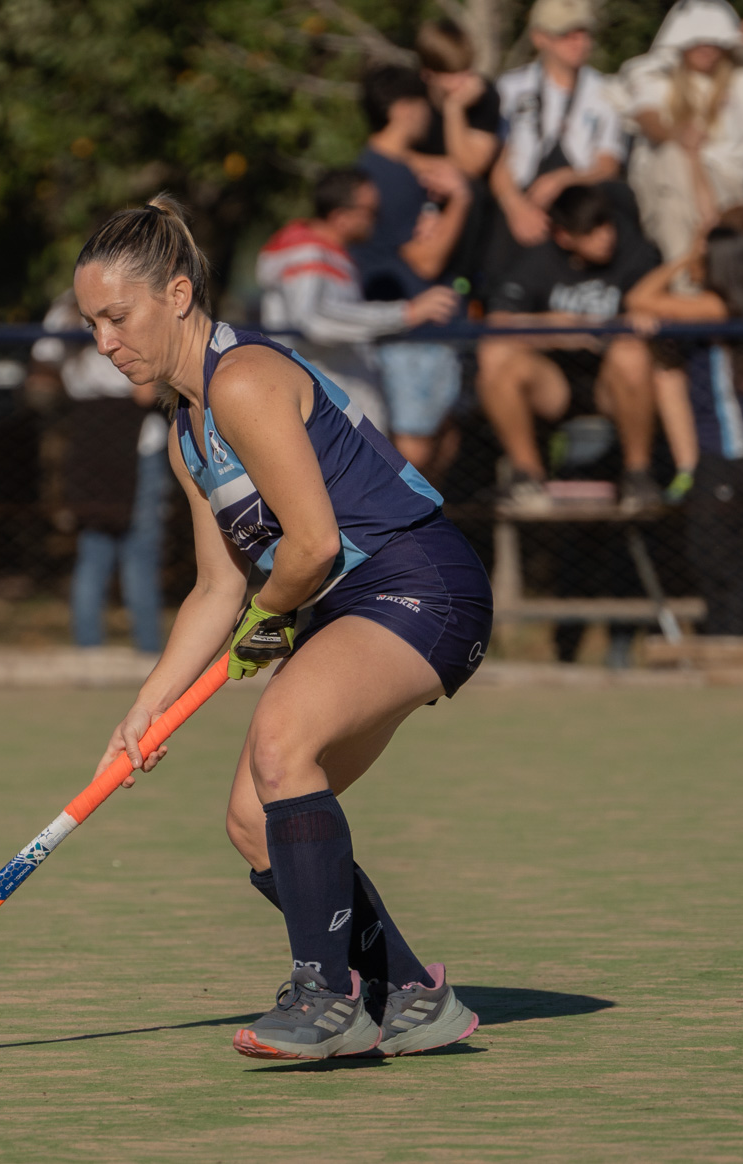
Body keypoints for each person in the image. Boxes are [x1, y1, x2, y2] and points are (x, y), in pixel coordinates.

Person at [77, 195, 490, 1060]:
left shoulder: (244, 381)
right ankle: (411, 995)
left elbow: (310, 546)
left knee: (280, 742)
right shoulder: (189, 429)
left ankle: (326, 997)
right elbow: (217, 588)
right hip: (351, 601)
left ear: (179, 295)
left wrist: (267, 625)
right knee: (251, 819)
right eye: (92, 323)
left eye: (118, 317)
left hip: (419, 581)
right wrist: (146, 710)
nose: (105, 342)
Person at [627, 218, 743, 635]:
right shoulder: (712, 306)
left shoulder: (716, 308)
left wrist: (680, 261)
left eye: (701, 254)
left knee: (722, 555)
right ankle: (721, 636)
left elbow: (640, 297)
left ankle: (735, 639)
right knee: (708, 553)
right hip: (715, 452)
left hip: (736, 451)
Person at [476, 185, 662, 512]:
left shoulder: (635, 251)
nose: (605, 236)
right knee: (494, 355)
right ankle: (527, 481)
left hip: (612, 384)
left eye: (606, 224)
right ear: (563, 236)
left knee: (631, 353)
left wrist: (613, 326)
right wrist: (554, 326)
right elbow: (498, 321)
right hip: (554, 384)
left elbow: (653, 307)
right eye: (590, 231)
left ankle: (638, 477)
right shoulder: (539, 258)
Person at [255, 168, 459, 435]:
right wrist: (404, 313)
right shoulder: (307, 251)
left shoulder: (332, 254)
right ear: (340, 217)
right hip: (324, 416)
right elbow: (312, 319)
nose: (376, 220)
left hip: (337, 411)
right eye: (370, 211)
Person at [33, 290, 169, 653]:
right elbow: (145, 392)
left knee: (94, 547)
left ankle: (89, 648)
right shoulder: (133, 295)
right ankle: (148, 649)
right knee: (140, 550)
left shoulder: (66, 303)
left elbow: (45, 362)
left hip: (89, 437)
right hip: (135, 438)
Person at [354, 64, 472, 474]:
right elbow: (427, 259)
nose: (428, 116)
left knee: (441, 441)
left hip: (410, 330)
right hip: (406, 332)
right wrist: (460, 201)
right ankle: (397, 536)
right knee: (413, 450)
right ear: (404, 108)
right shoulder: (390, 176)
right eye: (423, 105)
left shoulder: (375, 166)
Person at [625, 1, 743, 264]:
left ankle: (684, 282)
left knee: (676, 194)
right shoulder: (656, 79)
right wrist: (678, 135)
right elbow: (648, 118)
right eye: (697, 40)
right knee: (672, 160)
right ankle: (689, 279)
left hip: (727, 185)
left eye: (714, 40)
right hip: (671, 183)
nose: (706, 48)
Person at [489, 0, 629, 250]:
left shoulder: (606, 91)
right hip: (521, 195)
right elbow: (499, 160)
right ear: (539, 38)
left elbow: (609, 166)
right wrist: (515, 208)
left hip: (579, 198)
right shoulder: (510, 88)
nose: (579, 43)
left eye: (583, 33)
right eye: (566, 35)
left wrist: (563, 180)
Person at [414, 19, 501, 181]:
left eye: (467, 69)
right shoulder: (411, 95)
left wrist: (454, 108)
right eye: (453, 74)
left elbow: (471, 167)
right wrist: (445, 166)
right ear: (427, 75)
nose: (465, 80)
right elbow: (388, 155)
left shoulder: (485, 95)